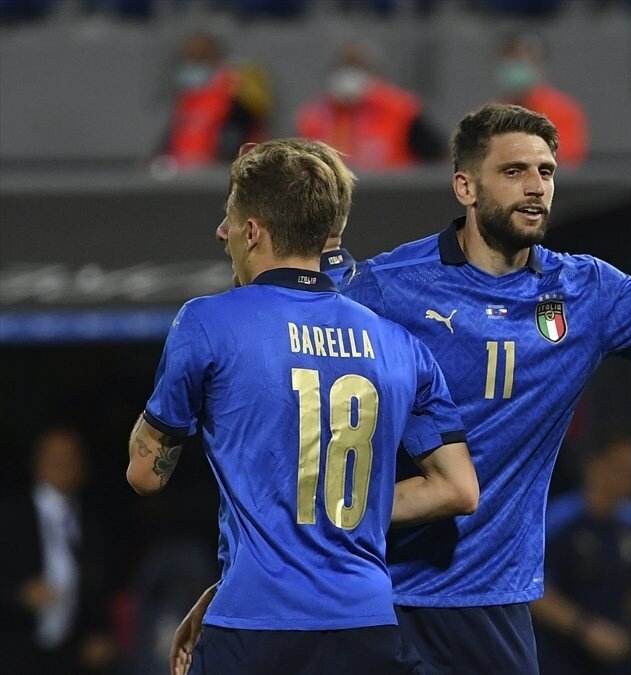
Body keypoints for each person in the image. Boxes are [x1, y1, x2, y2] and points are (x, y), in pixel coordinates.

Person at [178, 103, 631, 673]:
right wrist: (237, 581)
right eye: (513, 171)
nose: (536, 186)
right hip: (370, 599)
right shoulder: (382, 286)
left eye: (545, 171)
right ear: (465, 186)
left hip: (490, 605)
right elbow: (290, 427)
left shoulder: (587, 292)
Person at [127, 139, 478, 675]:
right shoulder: (399, 344)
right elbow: (458, 488)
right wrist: (337, 513)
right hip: (366, 629)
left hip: (253, 631)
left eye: (229, 219)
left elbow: (145, 475)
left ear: (253, 231)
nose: (222, 232)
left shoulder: (206, 322)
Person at [0, 427, 115, 674]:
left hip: (72, 657)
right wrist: (19, 594)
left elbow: (101, 587)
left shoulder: (92, 524)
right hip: (14, 652)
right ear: (36, 462)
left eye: (69, 458)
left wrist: (99, 633)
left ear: (83, 467)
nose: (61, 464)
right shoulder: (9, 518)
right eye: (53, 457)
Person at [533, 437, 631, 675]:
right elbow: (536, 593)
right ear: (594, 466)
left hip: (617, 661)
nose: (628, 477)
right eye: (619, 467)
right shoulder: (558, 520)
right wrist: (585, 629)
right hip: (562, 658)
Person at [296, 43, 444, 170]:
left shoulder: (401, 111)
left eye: (356, 67)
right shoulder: (312, 118)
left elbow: (439, 157)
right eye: (343, 66)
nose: (348, 75)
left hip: (391, 191)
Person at [160, 32, 270, 169]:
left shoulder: (234, 88)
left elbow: (243, 129)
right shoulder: (186, 98)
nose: (194, 64)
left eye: (200, 57)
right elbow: (174, 135)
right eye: (190, 58)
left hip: (221, 170)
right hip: (182, 169)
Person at [496, 34, 588, 166]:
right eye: (510, 60)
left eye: (522, 60)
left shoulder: (563, 111)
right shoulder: (489, 114)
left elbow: (567, 161)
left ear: (539, 65)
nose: (515, 67)